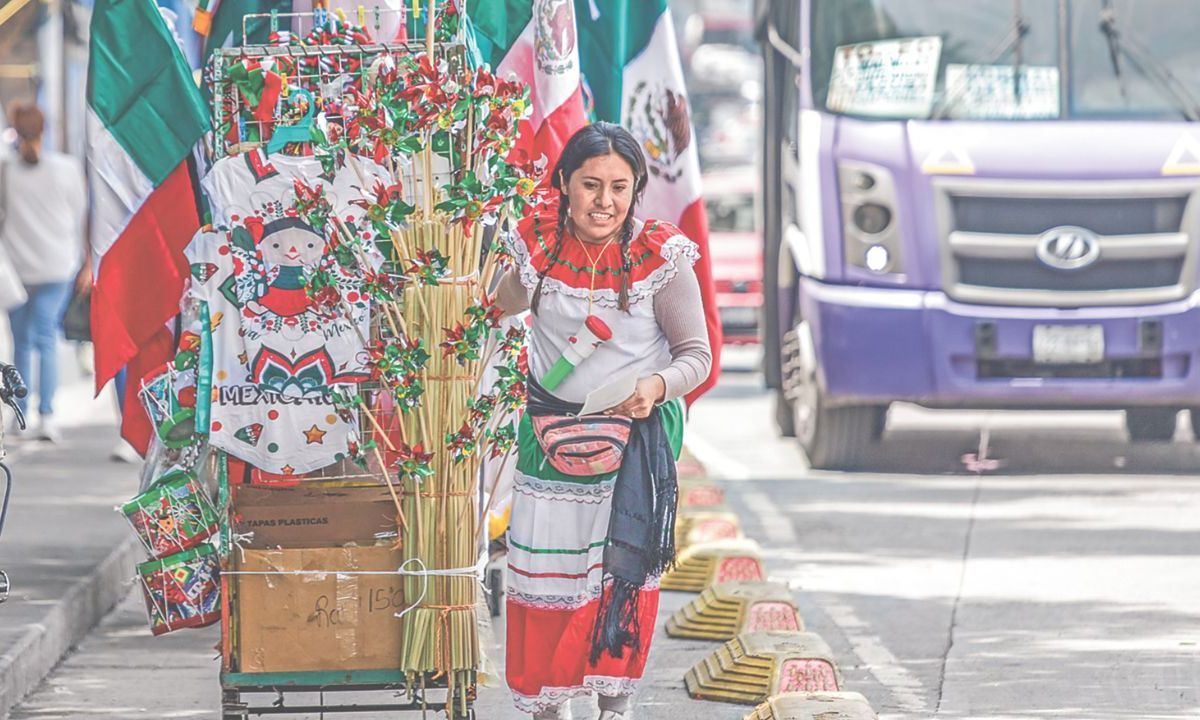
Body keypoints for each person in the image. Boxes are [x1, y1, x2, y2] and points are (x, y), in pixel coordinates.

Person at [495, 122, 712, 720]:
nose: (604, 201)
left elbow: (698, 354)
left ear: (637, 187)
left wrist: (655, 387)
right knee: (549, 579)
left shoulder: (660, 256)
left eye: (620, 186)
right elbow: (495, 307)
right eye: (590, 184)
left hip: (632, 453)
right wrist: (521, 271)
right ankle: (549, 708)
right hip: (548, 445)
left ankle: (614, 709)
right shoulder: (537, 243)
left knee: (618, 582)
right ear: (564, 182)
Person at [0, 102, 87, 441]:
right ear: (44, 129)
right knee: (45, 338)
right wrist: (85, 263)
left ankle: (18, 415)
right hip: (57, 266)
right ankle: (47, 414)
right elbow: (80, 218)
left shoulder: (6, 170)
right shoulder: (67, 168)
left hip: (17, 269)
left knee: (21, 343)